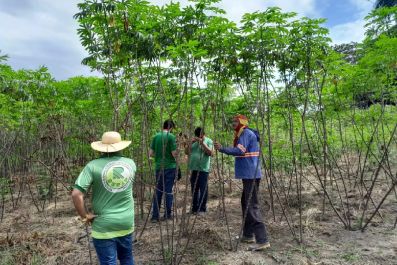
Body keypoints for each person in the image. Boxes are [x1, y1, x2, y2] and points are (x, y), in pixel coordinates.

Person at [71, 131, 136, 265]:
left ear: (101, 147)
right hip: (126, 221)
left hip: (103, 225)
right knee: (127, 259)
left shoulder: (92, 166)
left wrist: (85, 217)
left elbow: (76, 194)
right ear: (121, 146)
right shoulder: (131, 164)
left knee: (108, 262)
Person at [214, 115, 270, 251]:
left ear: (242, 122)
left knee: (251, 205)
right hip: (249, 174)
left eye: (235, 121)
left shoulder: (246, 133)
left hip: (250, 174)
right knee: (245, 203)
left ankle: (262, 240)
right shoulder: (244, 133)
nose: (233, 123)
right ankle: (248, 235)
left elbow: (240, 150)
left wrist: (222, 148)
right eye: (232, 121)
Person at [150, 119, 178, 222]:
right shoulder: (171, 137)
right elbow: (174, 153)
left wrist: (159, 155)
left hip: (158, 167)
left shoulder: (155, 136)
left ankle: (155, 216)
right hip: (169, 167)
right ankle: (167, 215)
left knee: (158, 191)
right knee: (168, 191)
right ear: (171, 127)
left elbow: (151, 153)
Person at [185, 127, 214, 215]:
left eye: (200, 136)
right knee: (194, 189)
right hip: (194, 169)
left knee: (203, 189)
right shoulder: (194, 141)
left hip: (203, 169)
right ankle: (194, 208)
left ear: (203, 134)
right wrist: (189, 143)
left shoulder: (209, 141)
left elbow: (211, 153)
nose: (199, 137)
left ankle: (202, 209)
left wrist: (202, 143)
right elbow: (187, 152)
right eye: (197, 136)